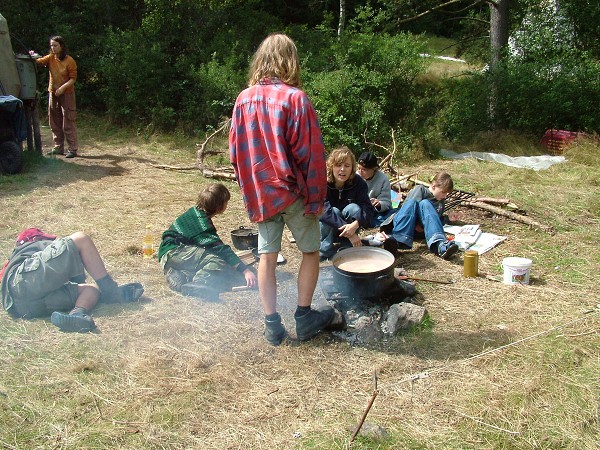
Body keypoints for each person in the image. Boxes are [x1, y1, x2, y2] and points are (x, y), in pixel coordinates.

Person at [229, 33, 335, 346]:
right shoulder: (295, 99)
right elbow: (310, 154)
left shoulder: (243, 98)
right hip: (294, 192)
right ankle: (304, 317)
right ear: (290, 61)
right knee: (311, 251)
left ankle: (272, 324)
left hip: (263, 193)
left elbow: (236, 153)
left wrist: (251, 187)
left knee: (266, 256)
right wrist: (316, 197)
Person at [1, 228, 144, 333]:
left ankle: (77, 314)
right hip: (22, 282)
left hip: (21, 307)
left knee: (91, 289)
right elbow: (77, 250)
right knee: (81, 239)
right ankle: (111, 291)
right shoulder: (33, 245)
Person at [158, 183, 257, 302]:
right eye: (226, 202)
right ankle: (198, 283)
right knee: (216, 261)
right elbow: (220, 249)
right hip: (175, 251)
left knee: (210, 261)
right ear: (219, 207)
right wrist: (245, 270)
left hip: (172, 254)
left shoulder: (195, 211)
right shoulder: (202, 224)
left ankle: (182, 276)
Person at [382, 172, 459, 260]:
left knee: (425, 204)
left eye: (447, 193)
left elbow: (432, 220)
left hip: (422, 232)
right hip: (406, 226)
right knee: (423, 203)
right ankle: (397, 240)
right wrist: (416, 224)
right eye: (443, 192)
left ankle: (439, 246)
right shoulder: (421, 190)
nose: (445, 195)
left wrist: (447, 219)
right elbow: (408, 209)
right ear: (434, 186)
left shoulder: (440, 201)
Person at [320, 147, 375, 260]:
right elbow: (324, 211)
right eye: (338, 165)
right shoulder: (322, 183)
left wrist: (356, 224)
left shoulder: (359, 183)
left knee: (354, 208)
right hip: (327, 228)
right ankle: (324, 250)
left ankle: (346, 246)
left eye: (347, 166)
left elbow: (368, 208)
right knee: (333, 211)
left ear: (352, 168)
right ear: (331, 166)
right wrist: (351, 234)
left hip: (348, 226)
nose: (342, 169)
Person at [31, 36, 79, 158]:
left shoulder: (69, 61)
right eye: (51, 45)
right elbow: (39, 61)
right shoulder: (51, 58)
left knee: (68, 120)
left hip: (67, 93)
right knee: (54, 120)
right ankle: (58, 147)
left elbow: (73, 78)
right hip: (53, 93)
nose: (53, 48)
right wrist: (32, 56)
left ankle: (72, 149)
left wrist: (62, 88)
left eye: (55, 45)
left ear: (61, 46)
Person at [356, 151, 395, 227]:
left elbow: (386, 202)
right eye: (359, 168)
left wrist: (379, 204)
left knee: (393, 213)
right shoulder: (355, 177)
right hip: (361, 210)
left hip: (377, 212)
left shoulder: (383, 179)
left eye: (364, 169)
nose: (360, 172)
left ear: (374, 169)